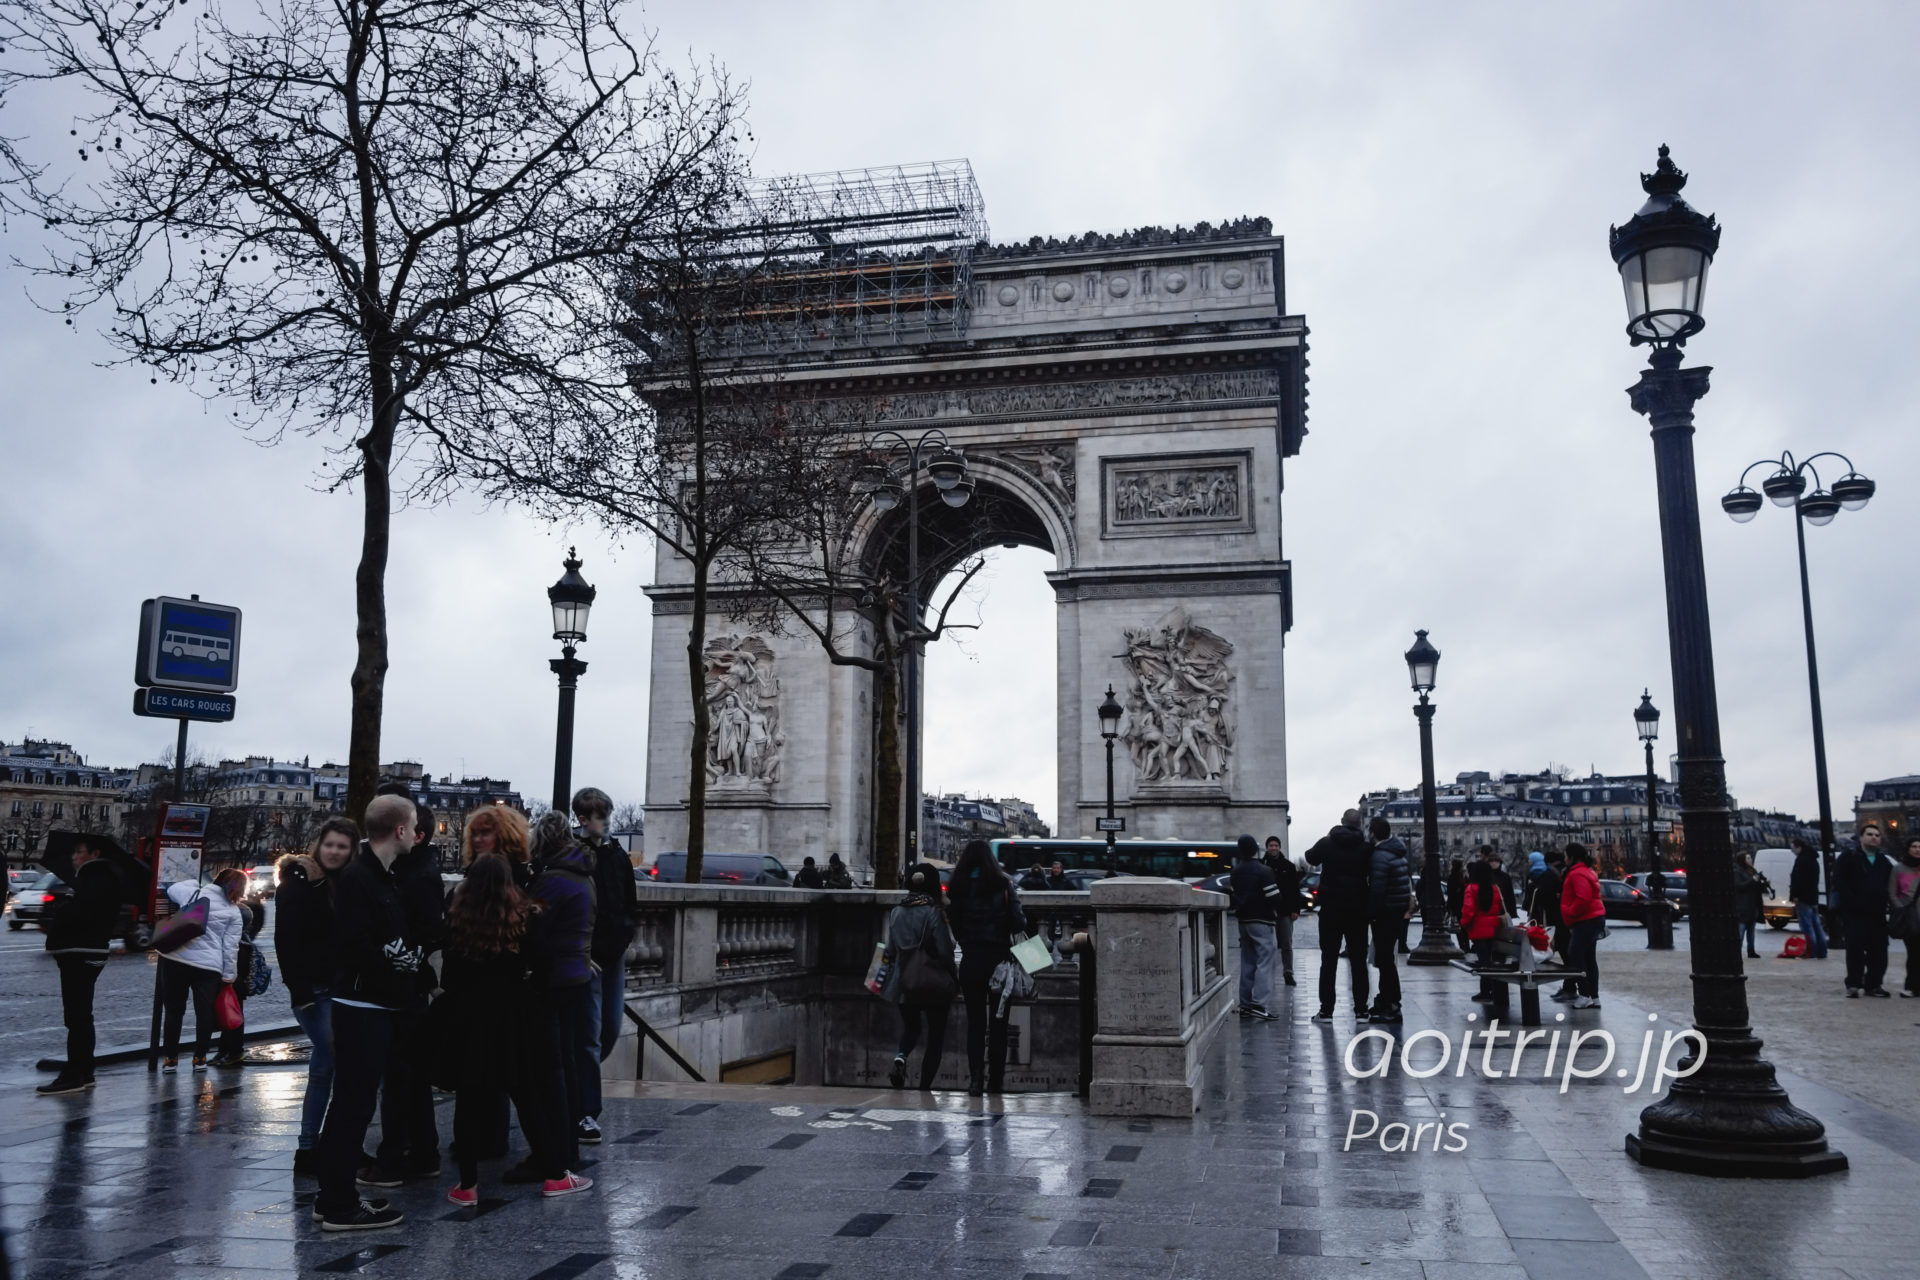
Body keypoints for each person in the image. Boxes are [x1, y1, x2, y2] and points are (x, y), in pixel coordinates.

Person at [442, 854, 589, 1206]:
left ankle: (468, 1185)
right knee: (528, 1098)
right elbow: (545, 968)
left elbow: (449, 978)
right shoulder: (525, 920)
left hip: (471, 1020)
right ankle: (555, 1175)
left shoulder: (458, 921)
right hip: (515, 1019)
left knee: (469, 1100)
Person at [314, 794, 421, 1233]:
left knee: (354, 1103)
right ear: (399, 830)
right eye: (413, 826)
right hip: (363, 1004)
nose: (417, 833)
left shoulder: (378, 877)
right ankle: (338, 1202)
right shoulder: (363, 879)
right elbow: (354, 944)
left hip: (372, 1001)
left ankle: (335, 1196)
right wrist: (395, 963)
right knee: (353, 1105)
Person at [360, 788, 448, 1185]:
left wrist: (405, 956)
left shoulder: (413, 876)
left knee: (401, 1078)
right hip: (408, 982)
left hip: (402, 985)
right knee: (409, 1078)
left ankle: (396, 1156)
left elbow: (427, 932)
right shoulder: (416, 871)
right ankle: (419, 1152)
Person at [276, 818, 357, 1174]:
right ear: (318, 846)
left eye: (342, 846)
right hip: (315, 990)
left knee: (326, 1066)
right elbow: (286, 941)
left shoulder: (347, 883)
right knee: (331, 1060)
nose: (335, 851)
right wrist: (300, 991)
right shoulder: (299, 883)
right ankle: (314, 1145)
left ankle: (316, 1146)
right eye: (330, 845)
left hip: (339, 986)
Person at [526, 811, 595, 1164]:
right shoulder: (582, 874)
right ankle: (566, 1142)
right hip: (577, 974)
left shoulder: (554, 881)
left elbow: (530, 928)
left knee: (550, 1068)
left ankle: (555, 1151)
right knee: (567, 1061)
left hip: (555, 979)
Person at [576, 786, 640, 1138]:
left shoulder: (616, 854)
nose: (609, 825)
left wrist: (626, 933)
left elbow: (629, 900)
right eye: (603, 819)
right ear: (584, 820)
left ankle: (579, 1084)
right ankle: (586, 1110)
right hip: (586, 959)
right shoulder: (573, 855)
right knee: (589, 1037)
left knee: (609, 1031)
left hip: (613, 957)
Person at [38, 835, 122, 1095]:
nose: (74, 857)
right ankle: (84, 1069)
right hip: (87, 950)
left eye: (78, 851)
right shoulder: (97, 879)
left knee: (77, 1016)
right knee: (80, 1015)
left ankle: (75, 1073)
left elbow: (80, 914)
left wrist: (63, 910)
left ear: (94, 853)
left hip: (81, 951)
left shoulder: (96, 880)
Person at [945, 839, 1025, 1096]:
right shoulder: (1003, 885)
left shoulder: (958, 886)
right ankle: (996, 1082)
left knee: (975, 1025)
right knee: (999, 1025)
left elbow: (955, 926)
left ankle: (975, 1080)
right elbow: (1018, 923)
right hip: (999, 963)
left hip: (971, 961)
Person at [159, 867, 247, 1072]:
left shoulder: (194, 892)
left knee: (173, 1011)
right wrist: (228, 976)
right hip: (209, 967)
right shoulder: (234, 911)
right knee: (204, 1012)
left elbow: (173, 889)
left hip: (177, 959)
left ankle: (170, 1059)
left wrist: (197, 885)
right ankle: (200, 1058)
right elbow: (230, 946)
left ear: (217, 880)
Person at [881, 862, 958, 1089]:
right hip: (933, 983)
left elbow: (890, 951)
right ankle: (924, 1087)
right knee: (935, 1036)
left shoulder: (896, 912)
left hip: (905, 983)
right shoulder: (933, 913)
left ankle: (901, 1057)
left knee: (911, 1028)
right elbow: (945, 951)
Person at [1305, 810, 1372, 1021]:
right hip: (1358, 909)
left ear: (1342, 822)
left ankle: (1326, 1009)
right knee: (1359, 962)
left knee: (1329, 961)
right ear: (1360, 824)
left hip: (1331, 909)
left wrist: (1328, 838)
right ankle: (1361, 1009)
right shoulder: (1366, 847)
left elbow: (1310, 857)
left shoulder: (1327, 843)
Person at [1834, 823, 1893, 998]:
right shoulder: (1848, 857)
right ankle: (1853, 983)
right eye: (1869, 834)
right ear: (1861, 837)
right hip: (1854, 912)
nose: (1874, 837)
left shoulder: (1883, 861)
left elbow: (1890, 884)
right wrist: (1851, 901)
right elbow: (1838, 880)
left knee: (1879, 951)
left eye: (1877, 835)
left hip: (1877, 913)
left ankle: (1874, 984)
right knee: (1855, 950)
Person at [211, 886, 267, 1067]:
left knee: (233, 1019)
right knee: (228, 1017)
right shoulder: (243, 940)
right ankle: (224, 1050)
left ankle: (234, 1051)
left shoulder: (240, 944)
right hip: (233, 985)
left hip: (234, 985)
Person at [1228, 835, 1282, 1020]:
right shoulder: (1264, 870)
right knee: (1265, 962)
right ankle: (1259, 1004)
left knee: (1247, 962)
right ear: (1255, 850)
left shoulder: (1235, 871)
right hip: (1262, 920)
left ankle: (1245, 1004)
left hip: (1243, 921)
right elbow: (1274, 897)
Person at [1365, 818, 1412, 1023]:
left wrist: (1370, 913)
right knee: (1386, 959)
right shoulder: (1396, 852)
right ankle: (1388, 1000)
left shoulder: (1380, 856)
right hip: (1396, 910)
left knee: (1384, 960)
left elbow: (1377, 890)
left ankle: (1391, 1004)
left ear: (1373, 833)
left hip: (1385, 912)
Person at [1560, 844, 1606, 1010]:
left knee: (1575, 956)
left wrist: (1568, 911)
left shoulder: (1576, 873)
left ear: (1571, 857)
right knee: (1588, 958)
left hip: (1585, 920)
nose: (1564, 859)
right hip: (1594, 918)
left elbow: (1583, 899)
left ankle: (1585, 995)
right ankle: (1594, 997)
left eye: (1566, 856)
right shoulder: (1588, 871)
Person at [1459, 858, 1508, 1003]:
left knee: (1484, 962)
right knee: (1490, 961)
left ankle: (1486, 991)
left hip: (1478, 929)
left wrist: (1465, 924)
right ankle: (1492, 989)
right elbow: (1499, 907)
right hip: (1494, 928)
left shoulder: (1472, 888)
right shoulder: (1495, 888)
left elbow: (1468, 911)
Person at [1526, 850, 1571, 1001]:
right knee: (1568, 955)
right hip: (1561, 920)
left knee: (1568, 956)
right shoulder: (1558, 874)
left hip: (1555, 920)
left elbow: (1541, 896)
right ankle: (1571, 987)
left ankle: (1572, 988)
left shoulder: (1548, 876)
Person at [1263, 835, 1302, 987]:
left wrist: (1295, 910)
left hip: (1285, 911)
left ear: (1279, 847)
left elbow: (1294, 890)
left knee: (1286, 944)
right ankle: (1268, 973)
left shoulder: (1289, 866)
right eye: (1271, 845)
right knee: (1268, 946)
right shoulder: (1262, 865)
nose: (1273, 848)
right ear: (1267, 847)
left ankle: (1288, 973)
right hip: (1266, 912)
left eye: (1276, 845)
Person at [1789, 839, 1829, 959]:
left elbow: (1797, 880)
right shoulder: (1813, 860)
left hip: (1803, 897)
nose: (1792, 851)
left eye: (1793, 848)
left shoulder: (1801, 861)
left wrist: (1794, 895)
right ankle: (1822, 951)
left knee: (1807, 926)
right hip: (1813, 896)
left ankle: (1811, 951)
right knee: (1817, 925)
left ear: (1798, 847)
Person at [1893, 837, 1920, 997]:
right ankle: (1911, 986)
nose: (1917, 849)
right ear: (1908, 849)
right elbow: (1892, 891)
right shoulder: (1899, 868)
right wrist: (1901, 906)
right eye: (1914, 846)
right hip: (1910, 917)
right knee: (1914, 954)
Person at [1732, 852, 1766, 960]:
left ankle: (1751, 951)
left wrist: (1763, 884)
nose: (1750, 860)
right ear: (1742, 860)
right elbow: (1739, 886)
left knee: (1751, 931)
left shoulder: (1752, 871)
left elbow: (1755, 887)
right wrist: (1753, 880)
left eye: (1750, 858)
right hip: (1743, 906)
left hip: (1752, 906)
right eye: (1748, 858)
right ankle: (1737, 952)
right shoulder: (1737, 871)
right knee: (1741, 931)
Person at [1445, 858, 1466, 930]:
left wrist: (1448, 906)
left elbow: (1450, 893)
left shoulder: (1452, 877)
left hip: (1455, 905)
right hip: (1463, 904)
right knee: (1463, 926)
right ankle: (1464, 941)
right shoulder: (1463, 877)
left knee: (1457, 927)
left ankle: (1461, 941)